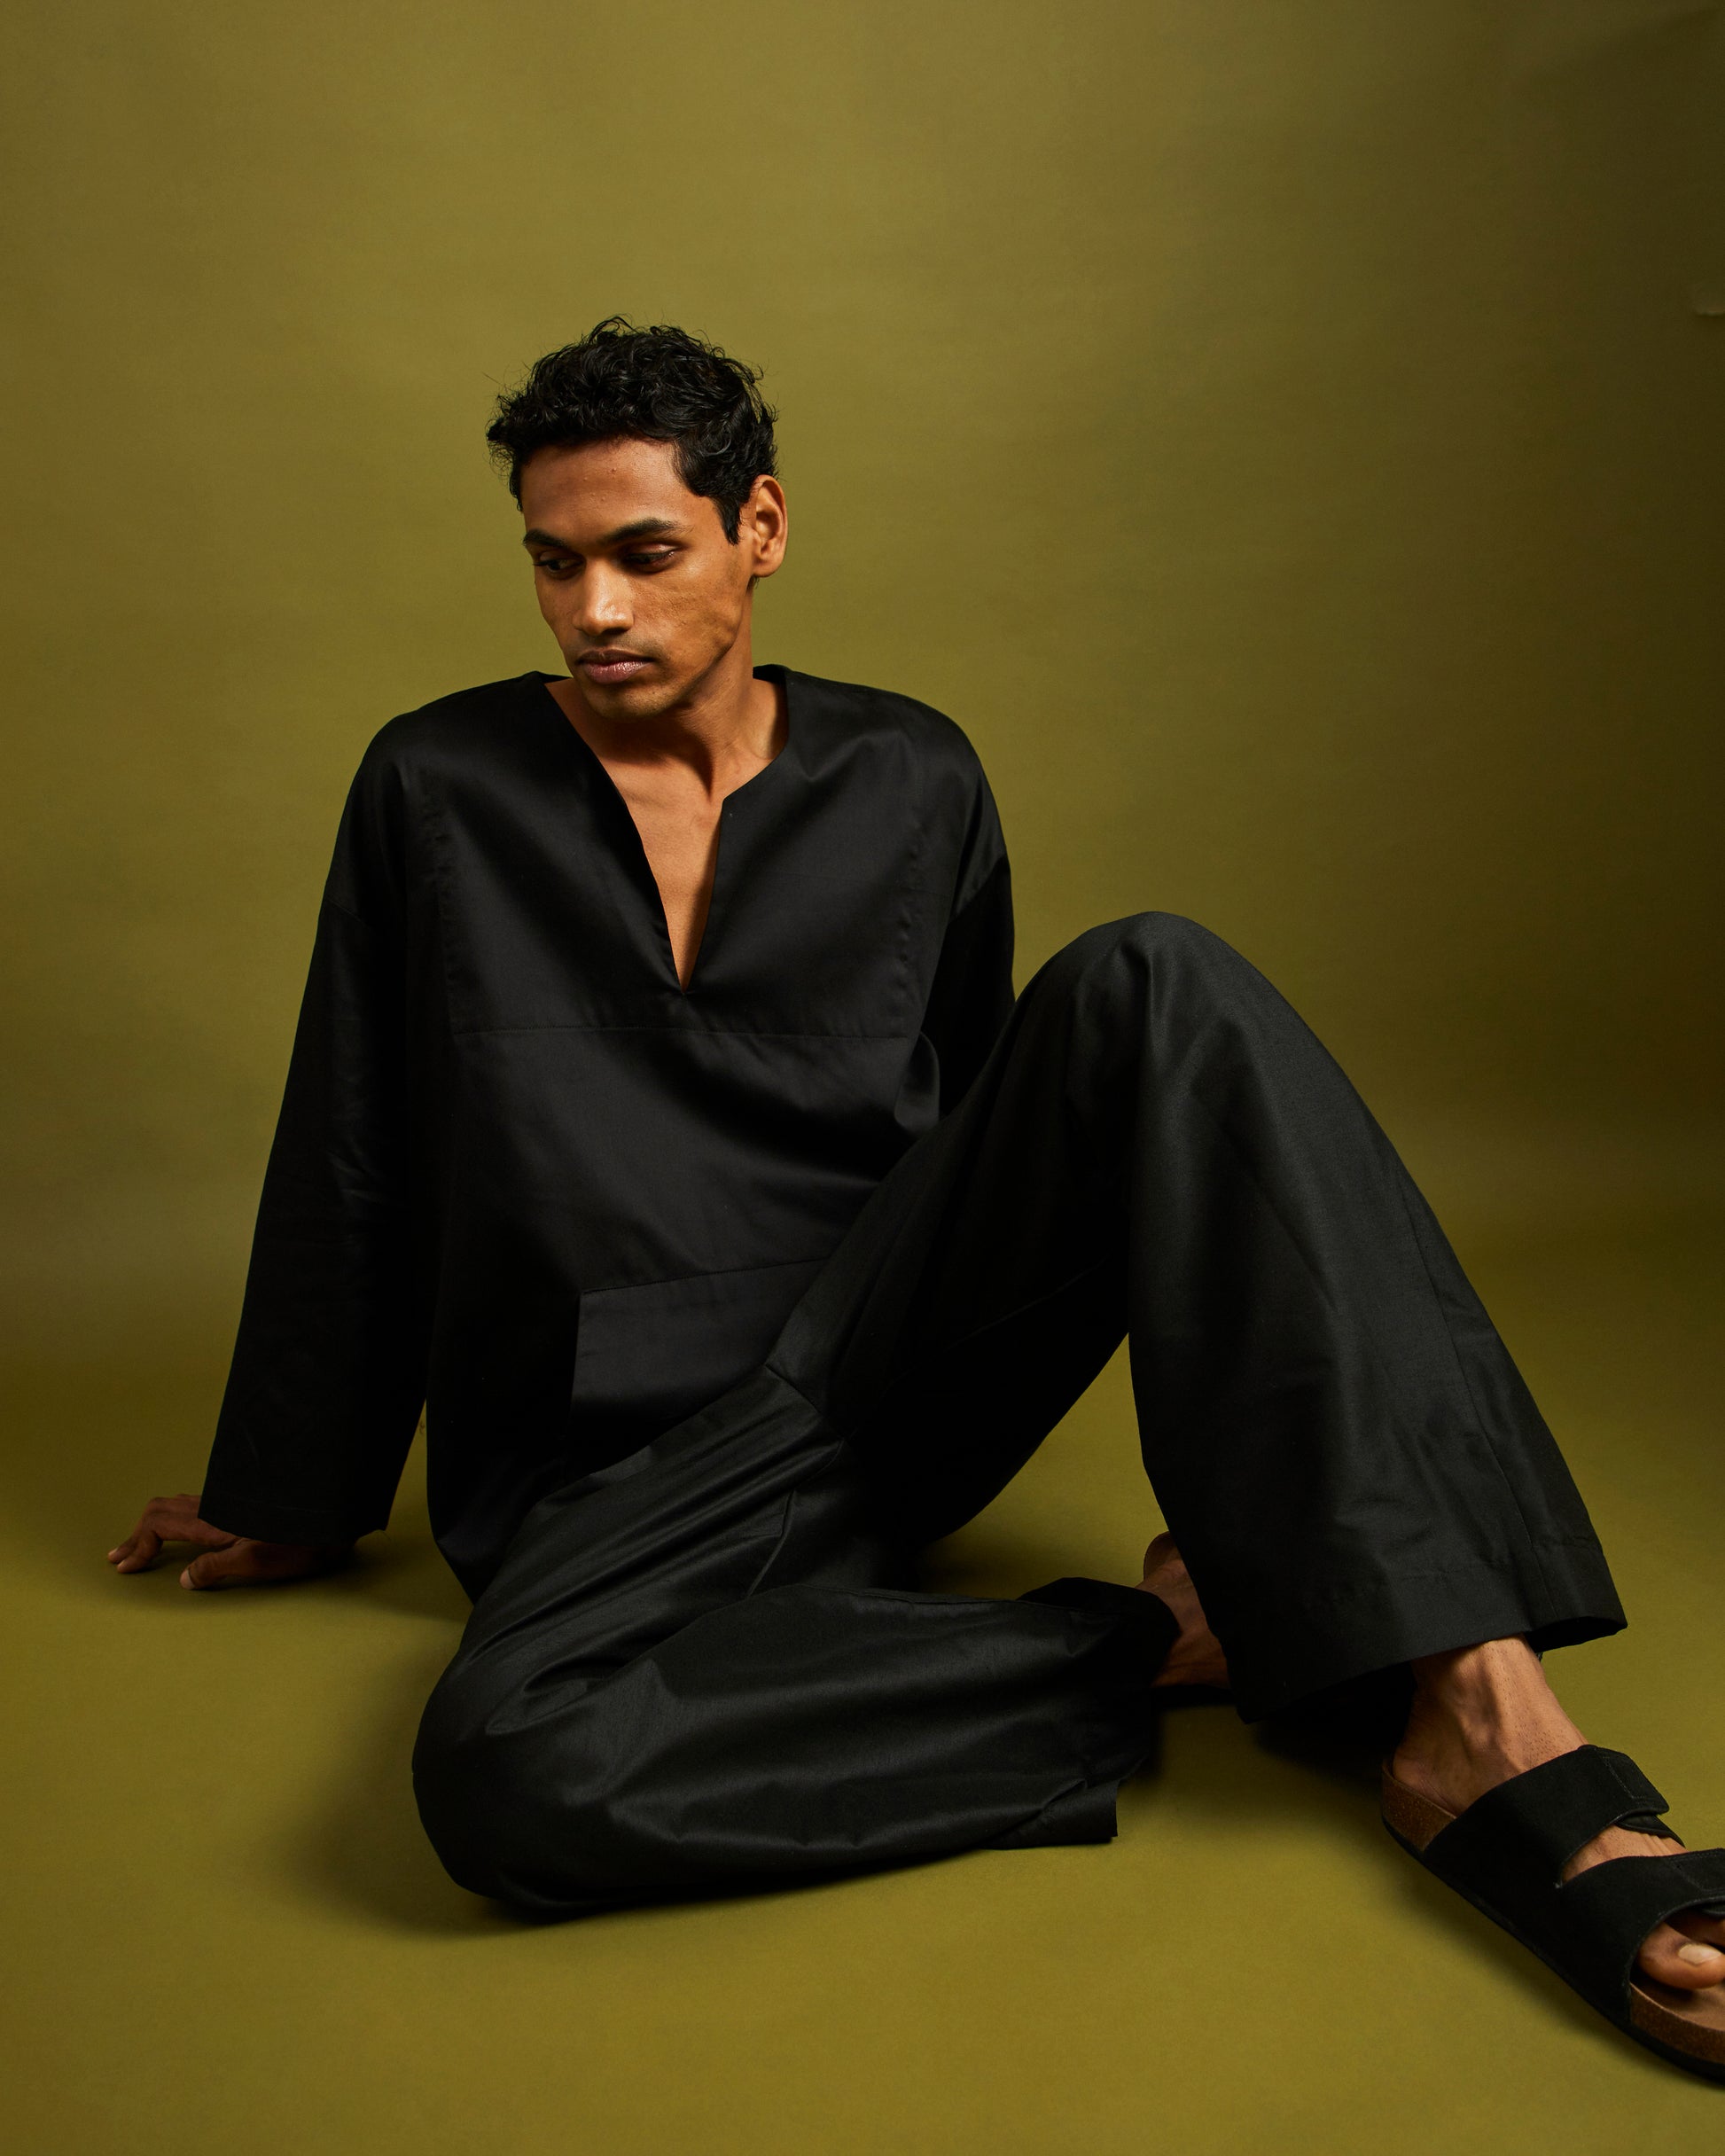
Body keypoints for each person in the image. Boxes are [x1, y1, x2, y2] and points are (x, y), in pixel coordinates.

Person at [109, 320, 1725, 2078]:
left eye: (642, 551)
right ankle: (1177, 1636)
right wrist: (297, 1491)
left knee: (1156, 976)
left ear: (759, 528)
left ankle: (1489, 1719)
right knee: (507, 1769)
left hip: (872, 1383)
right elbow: (355, 1146)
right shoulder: (434, 786)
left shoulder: (912, 774)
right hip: (605, 1470)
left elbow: (980, 1130)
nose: (596, 610)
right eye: (554, 563)